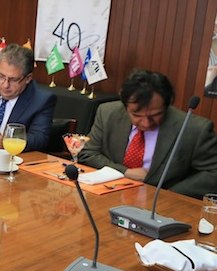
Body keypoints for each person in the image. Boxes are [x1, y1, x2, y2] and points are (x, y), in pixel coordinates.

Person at [79, 69, 217, 199]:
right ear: (125, 106)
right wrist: (124, 172)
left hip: (165, 204)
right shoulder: (108, 113)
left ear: (167, 105)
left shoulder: (194, 129)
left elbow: (213, 173)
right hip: (109, 196)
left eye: (155, 115)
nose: (146, 123)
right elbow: (88, 153)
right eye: (137, 115)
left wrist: (169, 195)